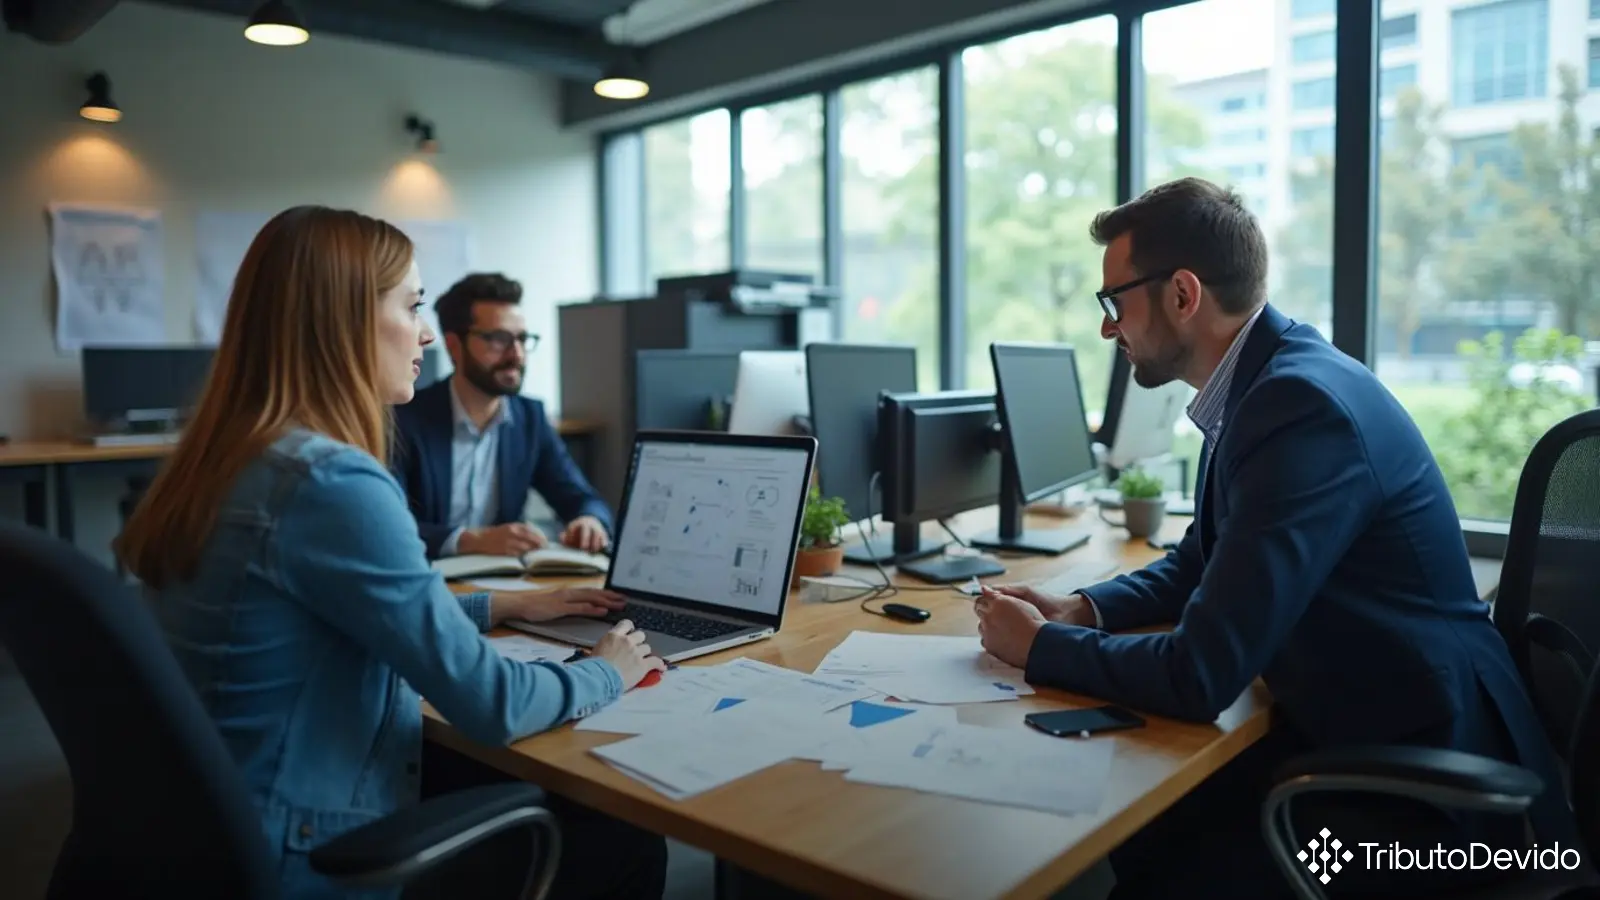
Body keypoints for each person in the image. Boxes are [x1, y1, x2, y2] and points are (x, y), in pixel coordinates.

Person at [973, 178, 1580, 898]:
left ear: (1182, 295)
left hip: (1431, 805)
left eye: (1115, 302)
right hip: (1372, 723)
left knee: (1164, 863)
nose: (1109, 328)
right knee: (1152, 833)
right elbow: (1201, 559)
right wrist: (1085, 609)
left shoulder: (1297, 406)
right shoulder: (1260, 383)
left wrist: (1039, 647)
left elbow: (1199, 676)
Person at [116, 206, 668, 900]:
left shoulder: (236, 458)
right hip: (307, 848)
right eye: (413, 306)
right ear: (341, 321)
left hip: (218, 826)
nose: (428, 333)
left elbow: (352, 608)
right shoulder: (331, 482)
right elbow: (493, 702)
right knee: (622, 831)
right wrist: (607, 671)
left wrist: (511, 604)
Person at [393, 272, 611, 560]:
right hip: (429, 581)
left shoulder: (530, 418)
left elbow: (581, 497)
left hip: (505, 581)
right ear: (454, 346)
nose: (517, 355)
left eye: (522, 339)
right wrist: (471, 540)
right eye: (499, 339)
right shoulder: (405, 419)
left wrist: (589, 521)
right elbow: (388, 527)